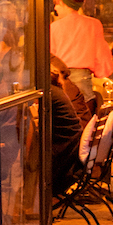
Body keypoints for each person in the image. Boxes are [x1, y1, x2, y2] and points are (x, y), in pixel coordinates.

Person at [49, 0, 113, 101]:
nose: (55, 8)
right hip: (83, 81)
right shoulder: (94, 25)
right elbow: (101, 56)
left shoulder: (53, 27)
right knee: (84, 110)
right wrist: (102, 74)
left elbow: (51, 58)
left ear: (63, 3)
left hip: (60, 82)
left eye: (57, 4)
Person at [48, 70, 84, 198]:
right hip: (71, 152)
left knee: (28, 157)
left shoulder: (49, 93)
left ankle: (30, 202)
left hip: (62, 158)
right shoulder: (56, 91)